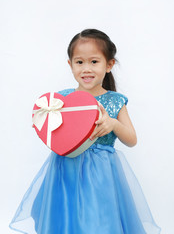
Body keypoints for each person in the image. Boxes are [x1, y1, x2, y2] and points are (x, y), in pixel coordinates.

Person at [9, 29, 161, 234]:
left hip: (101, 174)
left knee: (98, 219)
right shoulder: (61, 101)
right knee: (65, 216)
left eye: (94, 62)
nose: (86, 69)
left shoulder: (115, 100)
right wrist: (44, 122)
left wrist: (114, 124)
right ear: (70, 65)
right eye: (79, 62)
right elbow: (53, 129)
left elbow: (132, 139)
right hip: (64, 171)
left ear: (109, 65)